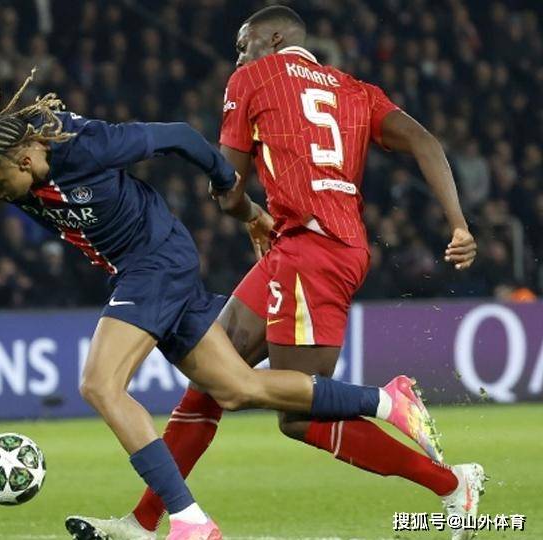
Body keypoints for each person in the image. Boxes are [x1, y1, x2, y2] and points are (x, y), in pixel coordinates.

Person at [0, 65, 439, 540]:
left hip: (154, 261)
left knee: (100, 384)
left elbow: (182, 137)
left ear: (29, 156)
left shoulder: (88, 145)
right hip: (147, 267)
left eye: (2, 184)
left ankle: (189, 521)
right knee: (239, 388)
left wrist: (234, 194)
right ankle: (387, 400)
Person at [66, 6, 484, 540]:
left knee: (301, 416)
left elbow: (227, 184)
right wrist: (459, 224)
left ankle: (444, 474)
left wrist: (245, 211)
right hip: (308, 247)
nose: (238, 57)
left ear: (276, 38)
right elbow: (425, 141)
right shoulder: (356, 90)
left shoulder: (253, 78)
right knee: (211, 377)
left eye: (244, 45)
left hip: (315, 251)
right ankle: (145, 521)